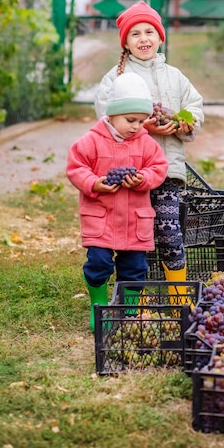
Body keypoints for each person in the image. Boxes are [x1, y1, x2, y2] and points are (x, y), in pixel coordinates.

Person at [94, 1, 204, 302]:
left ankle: (178, 295)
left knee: (169, 233)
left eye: (149, 32)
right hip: (129, 174)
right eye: (135, 34)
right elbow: (105, 116)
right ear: (126, 43)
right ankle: (131, 293)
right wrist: (144, 127)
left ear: (160, 36)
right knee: (132, 237)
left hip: (166, 171)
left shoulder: (175, 76)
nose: (144, 39)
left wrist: (184, 123)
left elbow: (194, 105)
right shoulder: (115, 78)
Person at [67, 72, 168, 332]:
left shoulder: (146, 143)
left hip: (135, 219)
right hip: (101, 217)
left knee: (135, 267)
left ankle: (129, 309)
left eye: (142, 121)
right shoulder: (90, 141)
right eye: (130, 120)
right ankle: (98, 304)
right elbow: (76, 167)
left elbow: (159, 168)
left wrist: (143, 178)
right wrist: (93, 183)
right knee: (98, 262)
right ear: (111, 115)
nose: (136, 126)